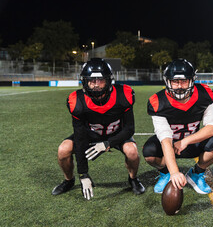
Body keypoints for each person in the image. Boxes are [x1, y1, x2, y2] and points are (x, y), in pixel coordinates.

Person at [51, 58, 145, 200]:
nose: (96, 85)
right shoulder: (77, 101)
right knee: (63, 150)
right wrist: (83, 174)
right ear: (85, 81)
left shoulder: (122, 95)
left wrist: (108, 143)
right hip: (91, 135)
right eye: (92, 81)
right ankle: (69, 180)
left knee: (132, 151)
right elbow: (80, 136)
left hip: (117, 133)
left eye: (100, 80)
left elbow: (129, 129)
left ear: (108, 80)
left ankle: (133, 179)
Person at [143, 59, 213, 194]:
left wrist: (185, 141)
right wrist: (174, 172)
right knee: (149, 152)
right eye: (175, 82)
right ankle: (165, 173)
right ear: (167, 81)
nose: (179, 86)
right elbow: (165, 138)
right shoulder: (158, 102)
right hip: (170, 145)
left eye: (184, 81)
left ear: (192, 81)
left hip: (192, 142)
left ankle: (196, 173)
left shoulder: (203, 95)